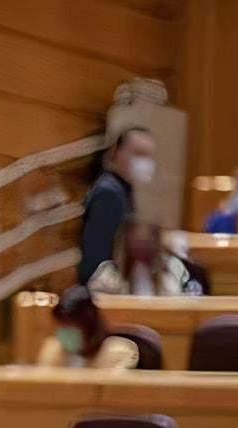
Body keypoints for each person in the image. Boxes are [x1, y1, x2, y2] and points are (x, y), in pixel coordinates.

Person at [78, 126, 155, 283]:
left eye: (149, 156)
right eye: (138, 154)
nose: (144, 163)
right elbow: (95, 259)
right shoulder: (109, 193)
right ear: (117, 152)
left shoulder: (123, 189)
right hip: (101, 292)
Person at [36, 285, 138, 370]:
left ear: (89, 325)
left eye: (70, 325)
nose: (64, 331)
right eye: (62, 325)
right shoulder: (53, 350)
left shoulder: (118, 353)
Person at [89, 220, 202, 296]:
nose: (142, 244)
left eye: (148, 239)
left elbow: (178, 301)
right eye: (136, 239)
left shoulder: (173, 268)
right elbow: (96, 297)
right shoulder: (108, 271)